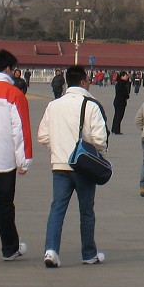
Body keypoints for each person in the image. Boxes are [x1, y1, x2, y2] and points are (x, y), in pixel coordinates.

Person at [37, 65, 107, 267]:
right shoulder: (91, 105)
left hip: (59, 165)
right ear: (84, 82)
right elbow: (100, 139)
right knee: (86, 211)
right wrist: (98, 155)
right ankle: (88, 253)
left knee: (57, 208)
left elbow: (42, 135)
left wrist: (57, 148)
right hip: (83, 166)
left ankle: (51, 250)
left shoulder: (54, 105)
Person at [0, 49, 33, 261]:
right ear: (7, 69)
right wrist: (23, 161)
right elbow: (21, 131)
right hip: (3, 160)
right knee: (5, 205)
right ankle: (9, 248)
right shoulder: (14, 93)